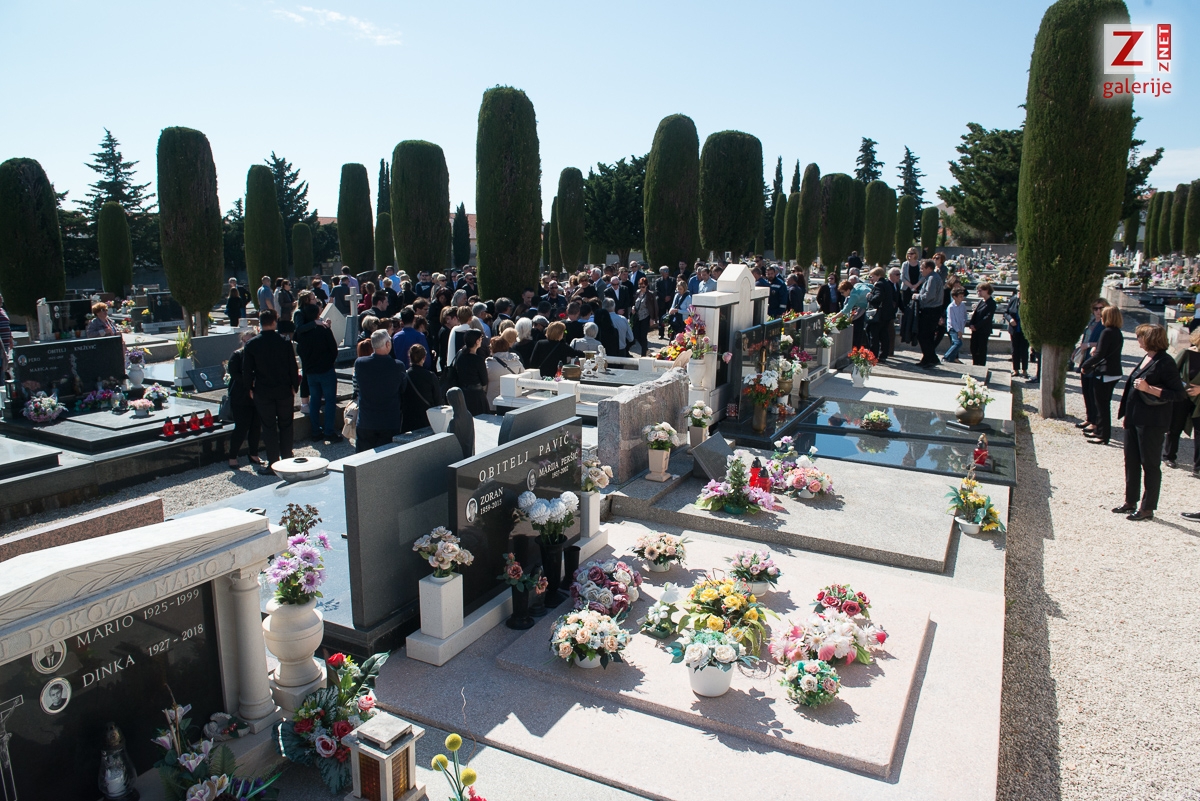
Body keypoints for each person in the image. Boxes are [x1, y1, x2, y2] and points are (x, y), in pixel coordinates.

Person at [1114, 324, 1188, 521]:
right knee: (1131, 461)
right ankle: (1130, 501)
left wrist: (1149, 389)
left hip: (1152, 422)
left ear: (1150, 339)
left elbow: (1178, 394)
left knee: (1150, 464)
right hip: (1134, 418)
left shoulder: (1165, 362)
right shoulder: (1148, 357)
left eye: (1141, 336)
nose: (1138, 339)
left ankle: (1147, 508)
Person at [241, 310, 300, 472]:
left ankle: (273, 463)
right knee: (286, 424)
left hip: (263, 390)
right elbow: (292, 366)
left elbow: (247, 370)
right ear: (274, 322)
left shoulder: (252, 344)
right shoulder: (284, 341)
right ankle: (287, 459)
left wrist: (249, 388)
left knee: (268, 427)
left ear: (260, 323)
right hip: (284, 389)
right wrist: (294, 386)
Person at [295, 301, 341, 443]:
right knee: (330, 401)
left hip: (310, 371)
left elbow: (300, 350)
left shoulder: (302, 334)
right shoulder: (324, 330)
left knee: (314, 400)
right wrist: (329, 362)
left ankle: (315, 431)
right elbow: (333, 349)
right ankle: (329, 431)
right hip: (326, 369)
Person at [353, 329, 406, 451]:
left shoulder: (360, 363)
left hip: (366, 419)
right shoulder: (398, 366)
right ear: (388, 344)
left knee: (363, 458)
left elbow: (357, 386)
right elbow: (403, 388)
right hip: (389, 420)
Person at [1080, 306, 1125, 446]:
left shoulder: (1107, 332)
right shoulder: (1117, 332)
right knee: (1102, 404)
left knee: (1102, 406)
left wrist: (1085, 365)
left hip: (1105, 372)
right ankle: (1098, 431)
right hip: (1114, 371)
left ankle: (1102, 435)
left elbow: (1100, 355)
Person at [1163, 327, 1200, 472]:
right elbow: (1171, 372)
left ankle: (1198, 467)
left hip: (1199, 400)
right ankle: (1169, 456)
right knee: (1175, 427)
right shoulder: (1187, 353)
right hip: (1182, 397)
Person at [225, 328, 263, 469]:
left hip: (256, 395)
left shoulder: (258, 354)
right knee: (241, 427)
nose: (246, 344)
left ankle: (253, 453)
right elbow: (234, 373)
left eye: (249, 341)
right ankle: (232, 456)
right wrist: (249, 383)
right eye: (244, 341)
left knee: (256, 426)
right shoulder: (237, 355)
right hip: (240, 396)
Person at [1077, 299, 1110, 430]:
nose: (1098, 311)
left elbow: (1105, 343)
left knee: (1093, 393)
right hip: (1086, 359)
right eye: (1095, 308)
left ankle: (1095, 422)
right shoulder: (1092, 322)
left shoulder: (1105, 325)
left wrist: (1089, 345)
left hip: (1095, 362)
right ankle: (1089, 418)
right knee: (1086, 391)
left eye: (1101, 308)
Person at [400, 344, 444, 433]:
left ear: (410, 357)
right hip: (427, 418)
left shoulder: (404, 376)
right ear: (424, 358)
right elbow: (438, 400)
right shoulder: (430, 376)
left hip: (409, 419)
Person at [449, 329, 489, 415]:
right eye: (481, 338)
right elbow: (484, 381)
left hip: (462, 394)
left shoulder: (460, 355)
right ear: (477, 341)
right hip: (476, 396)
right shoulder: (478, 360)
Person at [915, 260, 945, 367]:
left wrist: (917, 296)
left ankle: (931, 358)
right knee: (927, 336)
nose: (921, 270)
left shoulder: (932, 278)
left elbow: (929, 296)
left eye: (922, 268)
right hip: (931, 310)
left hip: (931, 311)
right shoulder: (931, 277)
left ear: (929, 268)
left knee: (924, 335)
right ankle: (928, 358)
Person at [485, 335, 524, 409]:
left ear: (493, 348)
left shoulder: (489, 363)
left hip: (492, 398)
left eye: (490, 347)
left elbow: (484, 382)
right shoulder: (515, 360)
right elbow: (523, 374)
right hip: (511, 398)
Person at [866, 266, 896, 360]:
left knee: (874, 335)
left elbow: (878, 297)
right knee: (884, 335)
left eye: (872, 276)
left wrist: (869, 296)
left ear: (878, 275)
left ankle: (873, 355)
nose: (871, 278)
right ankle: (884, 354)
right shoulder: (887, 283)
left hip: (879, 315)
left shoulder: (879, 284)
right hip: (887, 314)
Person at [968, 283, 996, 367]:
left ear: (986, 290)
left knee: (981, 349)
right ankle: (975, 364)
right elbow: (975, 314)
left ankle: (980, 366)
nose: (978, 292)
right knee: (973, 348)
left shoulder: (991, 303)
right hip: (975, 329)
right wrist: (971, 324)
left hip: (983, 330)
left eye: (980, 290)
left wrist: (976, 326)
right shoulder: (981, 301)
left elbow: (987, 317)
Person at [838, 278, 870, 350]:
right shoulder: (857, 285)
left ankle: (856, 350)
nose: (842, 294)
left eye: (842, 292)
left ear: (848, 290)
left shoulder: (854, 296)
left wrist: (833, 317)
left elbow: (845, 310)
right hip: (864, 307)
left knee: (858, 333)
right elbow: (869, 285)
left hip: (868, 309)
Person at [1005, 287, 1030, 378]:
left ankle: (1024, 370)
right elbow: (1006, 313)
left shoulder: (1028, 302)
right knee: (1015, 350)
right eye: (1018, 291)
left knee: (1024, 350)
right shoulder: (1013, 300)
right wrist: (1010, 319)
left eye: (1021, 291)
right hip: (1014, 329)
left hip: (1024, 330)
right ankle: (1016, 369)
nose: (1019, 293)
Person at [631, 277, 657, 355]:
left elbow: (655, 307)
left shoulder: (650, 294)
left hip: (646, 317)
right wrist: (633, 307)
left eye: (643, 286)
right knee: (636, 334)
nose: (641, 288)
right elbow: (634, 303)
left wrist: (653, 318)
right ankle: (646, 349)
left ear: (646, 285)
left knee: (643, 336)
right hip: (637, 317)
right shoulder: (637, 293)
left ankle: (643, 354)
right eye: (640, 286)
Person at [944, 287, 968, 363]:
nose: (962, 298)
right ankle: (946, 356)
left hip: (960, 328)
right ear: (955, 297)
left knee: (956, 343)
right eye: (960, 296)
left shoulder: (962, 305)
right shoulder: (951, 307)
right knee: (958, 343)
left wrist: (961, 329)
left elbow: (964, 316)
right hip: (953, 328)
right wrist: (958, 331)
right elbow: (952, 320)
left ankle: (951, 359)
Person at [655, 267, 675, 337]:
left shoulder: (673, 280)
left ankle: (670, 333)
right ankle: (661, 333)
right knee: (661, 318)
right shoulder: (658, 281)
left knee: (671, 317)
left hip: (670, 301)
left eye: (668, 270)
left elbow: (674, 290)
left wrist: (669, 297)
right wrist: (664, 297)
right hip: (662, 302)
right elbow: (657, 291)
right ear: (661, 272)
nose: (667, 272)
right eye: (665, 271)